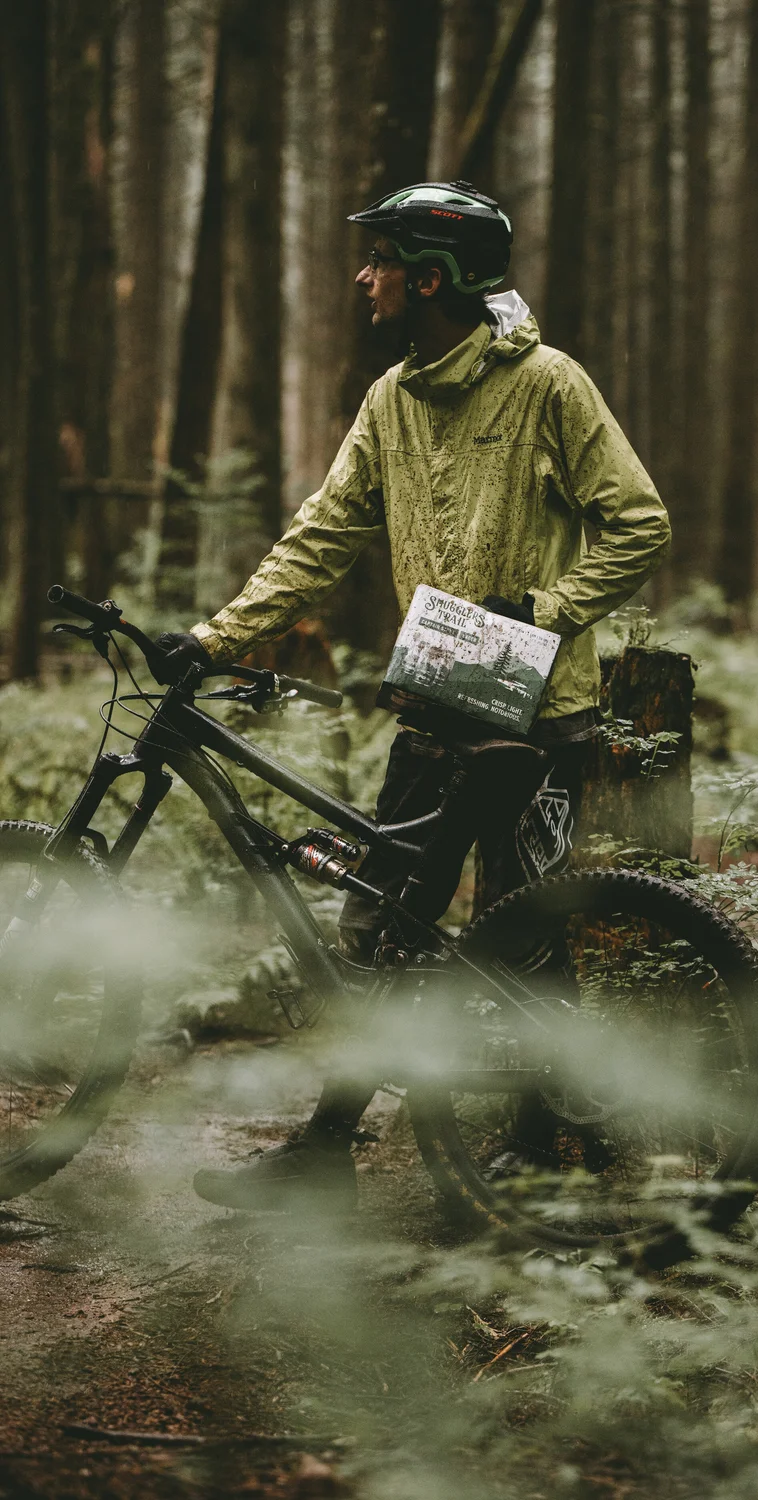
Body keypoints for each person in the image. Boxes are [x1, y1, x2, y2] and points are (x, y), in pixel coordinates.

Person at [156, 181, 671, 1213]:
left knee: (529, 937)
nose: (365, 278)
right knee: (382, 935)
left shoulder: (550, 386)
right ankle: (326, 1149)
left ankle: (549, 1139)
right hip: (435, 712)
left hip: (535, 720)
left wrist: (544, 609)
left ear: (428, 277)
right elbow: (323, 534)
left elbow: (640, 522)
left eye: (380, 260)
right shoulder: (390, 399)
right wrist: (218, 636)